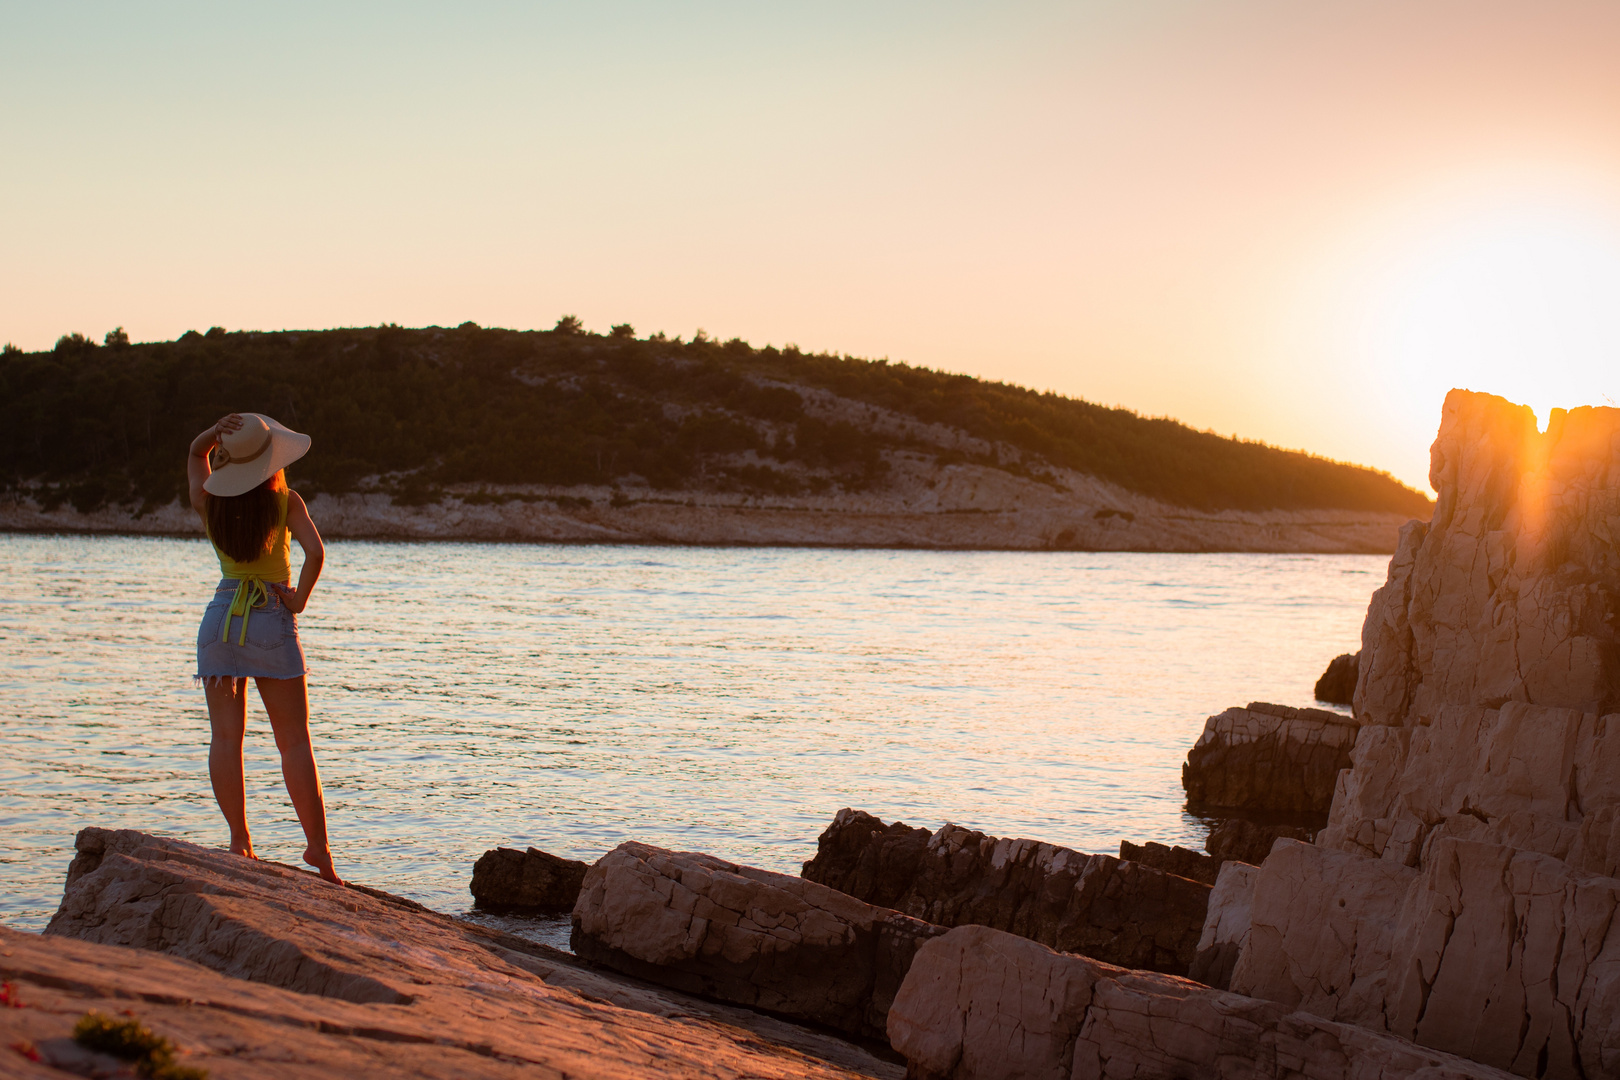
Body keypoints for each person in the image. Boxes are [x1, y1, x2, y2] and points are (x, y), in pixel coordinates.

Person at [188, 412, 342, 885]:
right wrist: (298, 599)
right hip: (270, 614)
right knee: (294, 741)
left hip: (219, 618)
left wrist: (215, 434)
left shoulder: (208, 499)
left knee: (224, 739)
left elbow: (195, 454)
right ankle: (317, 850)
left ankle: (239, 839)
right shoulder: (285, 500)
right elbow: (315, 552)